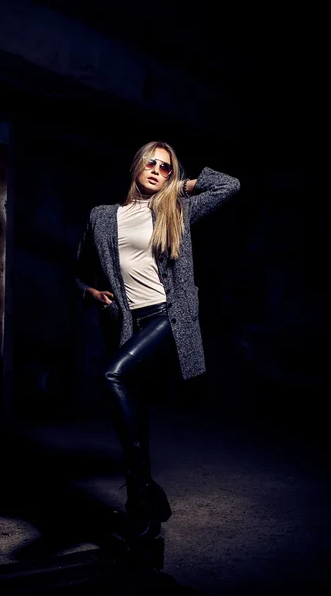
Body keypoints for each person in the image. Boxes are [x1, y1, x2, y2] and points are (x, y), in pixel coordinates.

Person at [74, 140, 240, 550]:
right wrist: (91, 293)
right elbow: (80, 270)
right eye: (150, 163)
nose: (156, 170)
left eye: (165, 168)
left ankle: (141, 492)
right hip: (130, 323)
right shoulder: (102, 216)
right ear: (136, 166)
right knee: (135, 405)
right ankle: (143, 502)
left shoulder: (175, 210)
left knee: (111, 376)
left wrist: (181, 187)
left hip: (170, 317)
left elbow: (230, 186)